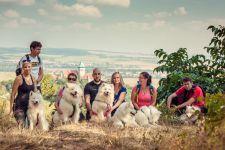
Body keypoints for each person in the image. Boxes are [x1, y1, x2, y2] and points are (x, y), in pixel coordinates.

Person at [9, 61, 36, 128]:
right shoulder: (19, 78)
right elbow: (13, 94)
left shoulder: (33, 78)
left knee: (31, 127)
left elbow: (35, 93)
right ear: (22, 68)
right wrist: (10, 110)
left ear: (31, 68)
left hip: (30, 107)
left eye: (29, 67)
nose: (27, 68)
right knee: (22, 126)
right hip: (19, 107)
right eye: (25, 67)